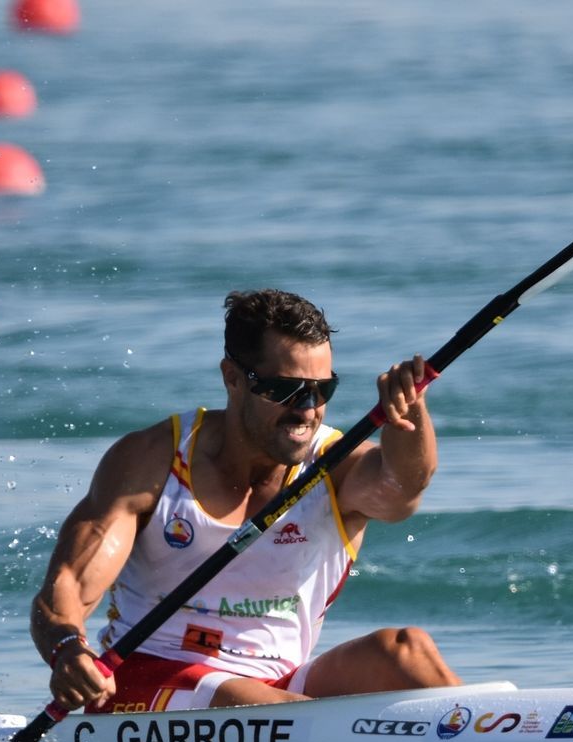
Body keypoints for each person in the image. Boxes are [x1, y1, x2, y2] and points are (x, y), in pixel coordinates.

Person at [30, 289, 461, 713]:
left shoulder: (335, 465)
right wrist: (68, 651)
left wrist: (410, 416)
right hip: (144, 681)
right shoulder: (152, 461)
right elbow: (68, 584)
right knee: (263, 703)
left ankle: (494, 732)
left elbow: (402, 492)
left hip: (276, 684)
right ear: (232, 378)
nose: (307, 410)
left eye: (321, 391)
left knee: (406, 651)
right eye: (286, 390)